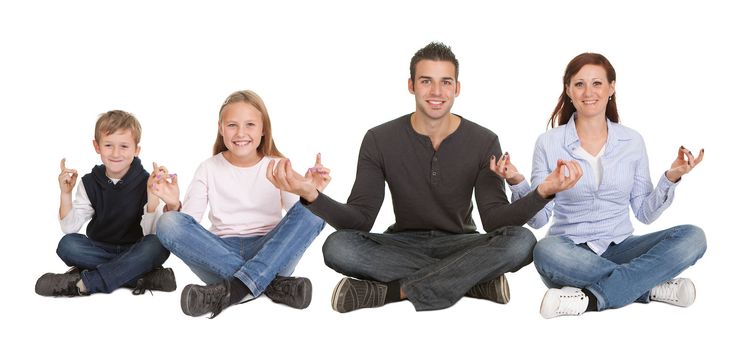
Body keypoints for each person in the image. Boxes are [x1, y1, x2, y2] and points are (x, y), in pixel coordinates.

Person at [267, 42, 575, 313]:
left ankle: (390, 292)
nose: (437, 92)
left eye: (445, 82)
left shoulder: (483, 140)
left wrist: (543, 191)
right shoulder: (379, 139)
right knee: (337, 247)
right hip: (400, 243)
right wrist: (311, 194)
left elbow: (495, 221)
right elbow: (359, 220)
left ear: (457, 88)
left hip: (462, 243)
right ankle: (472, 282)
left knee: (521, 241)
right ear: (412, 85)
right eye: (427, 81)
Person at [501, 53, 706, 318]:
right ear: (568, 90)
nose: (589, 92)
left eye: (597, 83)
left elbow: (645, 213)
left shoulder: (631, 141)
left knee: (693, 237)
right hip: (570, 254)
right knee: (544, 250)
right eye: (579, 84)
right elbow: (540, 221)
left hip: (622, 247)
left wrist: (671, 178)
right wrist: (517, 181)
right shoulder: (548, 143)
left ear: (611, 87)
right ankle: (648, 286)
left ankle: (589, 299)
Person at [153, 90, 327, 318]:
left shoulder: (277, 165)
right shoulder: (208, 168)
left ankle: (235, 288)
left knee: (315, 210)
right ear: (221, 128)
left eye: (250, 125)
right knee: (167, 222)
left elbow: (299, 219)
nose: (241, 133)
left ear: (263, 129)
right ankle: (271, 285)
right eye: (232, 125)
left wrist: (309, 190)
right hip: (218, 254)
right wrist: (173, 203)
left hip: (272, 251)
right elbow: (188, 225)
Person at [35, 110, 175, 297]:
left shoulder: (146, 181)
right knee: (67, 245)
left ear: (136, 150)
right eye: (108, 145)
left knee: (157, 244)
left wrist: (152, 197)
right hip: (98, 248)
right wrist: (65, 194)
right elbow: (70, 228)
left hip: (136, 248)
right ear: (97, 146)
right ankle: (142, 276)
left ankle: (85, 282)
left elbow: (150, 234)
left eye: (124, 146)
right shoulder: (89, 182)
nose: (116, 153)